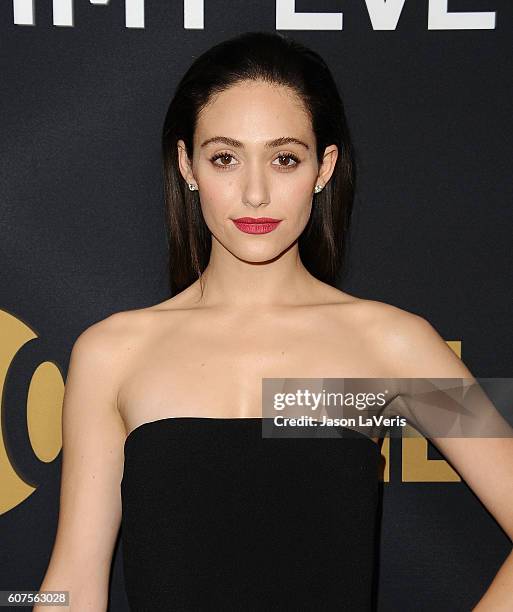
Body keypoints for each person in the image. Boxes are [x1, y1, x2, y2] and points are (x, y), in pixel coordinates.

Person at [36, 31, 513, 611]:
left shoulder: (391, 346)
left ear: (323, 167)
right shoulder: (112, 353)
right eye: (225, 158)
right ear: (187, 165)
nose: (256, 192)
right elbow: (74, 583)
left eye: (284, 158)